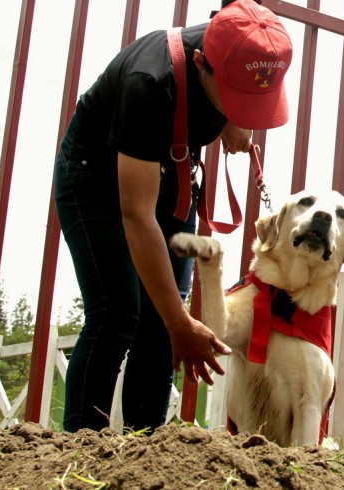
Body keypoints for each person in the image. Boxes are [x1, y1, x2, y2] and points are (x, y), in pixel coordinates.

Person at [54, 0, 293, 433]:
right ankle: (81, 449)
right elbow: (137, 215)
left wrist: (230, 118)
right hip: (98, 180)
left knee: (159, 327)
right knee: (118, 314)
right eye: (238, 99)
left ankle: (146, 451)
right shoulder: (150, 83)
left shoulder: (242, 44)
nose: (246, 111)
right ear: (203, 65)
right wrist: (180, 323)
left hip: (169, 176)